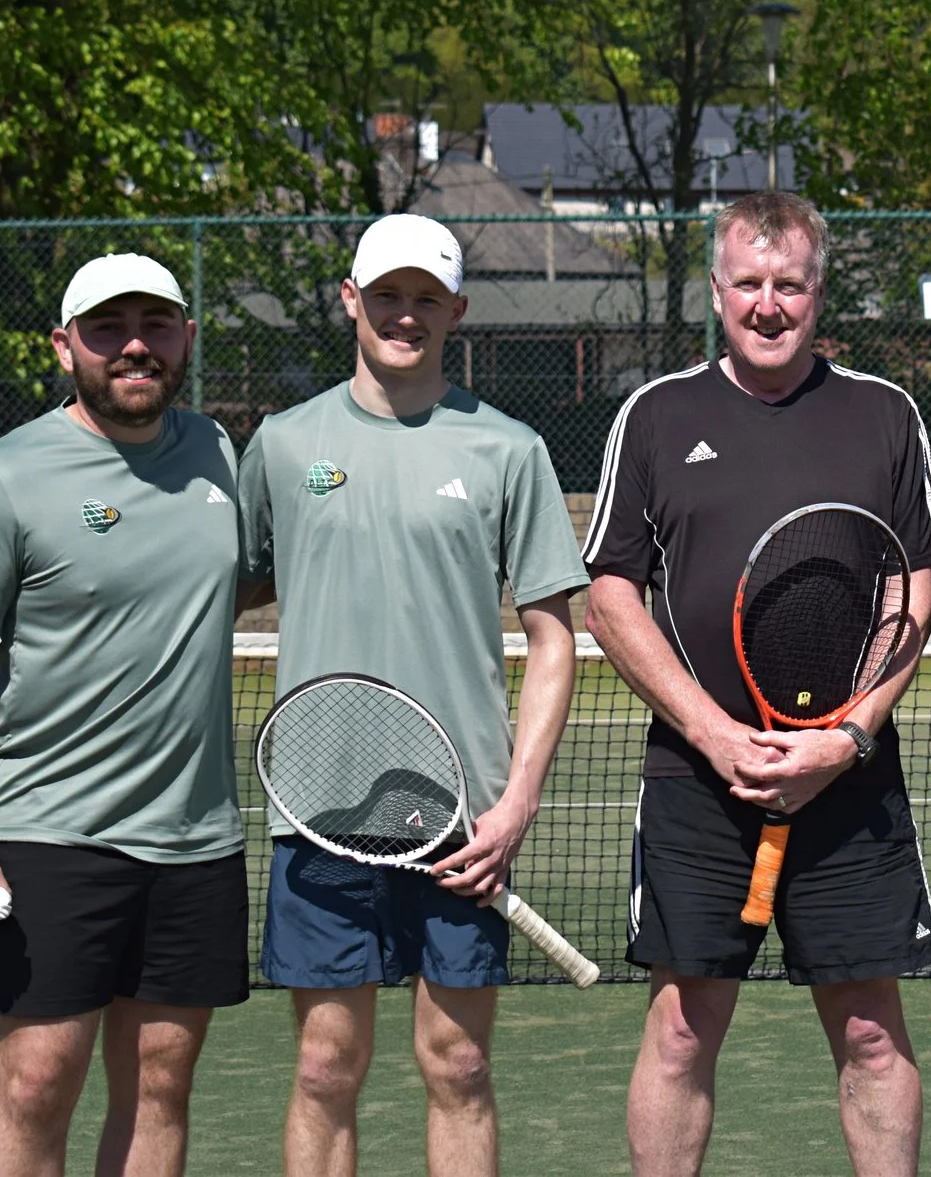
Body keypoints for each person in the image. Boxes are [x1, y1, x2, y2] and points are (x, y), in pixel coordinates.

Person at [582, 190, 931, 1177]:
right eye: (748, 282)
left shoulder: (883, 412)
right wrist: (713, 734)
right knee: (680, 1030)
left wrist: (847, 738)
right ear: (717, 289)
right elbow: (611, 596)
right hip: (698, 785)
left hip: (850, 784)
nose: (769, 303)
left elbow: (912, 591)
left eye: (789, 283)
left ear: (817, 288)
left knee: (871, 1030)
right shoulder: (656, 415)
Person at [238, 213, 587, 1177]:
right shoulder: (280, 443)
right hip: (316, 810)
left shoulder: (509, 450)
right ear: (350, 300)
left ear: (458, 312)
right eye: (386, 294)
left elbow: (556, 639)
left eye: (426, 297)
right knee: (322, 1070)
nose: (405, 314)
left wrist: (515, 803)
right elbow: (226, 582)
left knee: (461, 1065)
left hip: (462, 823)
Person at [0, 252, 247, 1177]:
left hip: (195, 842)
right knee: (33, 1085)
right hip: (50, 835)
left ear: (185, 337)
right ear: (65, 347)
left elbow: (244, 577)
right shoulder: (1, 477)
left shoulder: (220, 454)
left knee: (160, 1086)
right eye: (108, 327)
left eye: (156, 323)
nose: (135, 344)